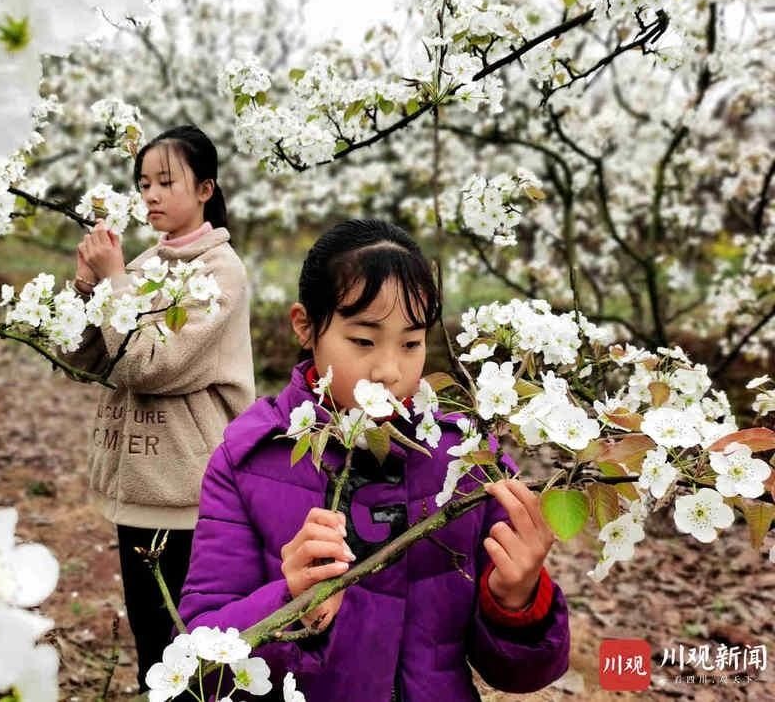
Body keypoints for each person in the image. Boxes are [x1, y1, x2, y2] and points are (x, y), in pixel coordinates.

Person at [178, 219, 569, 701]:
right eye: (363, 341)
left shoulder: (465, 456)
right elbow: (200, 659)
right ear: (305, 326)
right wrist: (290, 603)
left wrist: (518, 598)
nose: (389, 371)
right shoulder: (249, 461)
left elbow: (522, 674)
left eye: (411, 343)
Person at [66, 125, 255, 692]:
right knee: (152, 644)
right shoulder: (145, 266)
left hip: (190, 491)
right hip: (139, 485)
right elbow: (84, 360)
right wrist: (84, 290)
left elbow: (147, 365)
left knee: (191, 644)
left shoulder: (221, 272)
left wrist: (116, 281)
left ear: (205, 189)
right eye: (143, 182)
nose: (149, 195)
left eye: (165, 181)